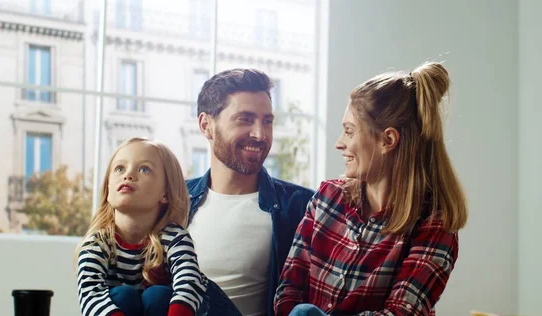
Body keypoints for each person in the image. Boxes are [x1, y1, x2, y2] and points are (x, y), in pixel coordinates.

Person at [274, 62, 468, 315]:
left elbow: (402, 312)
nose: (339, 144)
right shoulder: (327, 198)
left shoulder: (434, 225)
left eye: (349, 132)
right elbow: (289, 289)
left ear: (387, 140)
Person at [186, 68, 315, 316]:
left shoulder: (302, 207)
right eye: (244, 119)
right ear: (206, 125)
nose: (260, 134)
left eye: (267, 121)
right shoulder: (174, 199)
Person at [75, 137, 207, 316]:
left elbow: (189, 281)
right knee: (123, 296)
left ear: (165, 193)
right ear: (108, 190)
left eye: (144, 169)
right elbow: (90, 293)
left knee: (157, 295)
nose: (128, 175)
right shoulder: (97, 243)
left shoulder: (174, 237)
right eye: (120, 168)